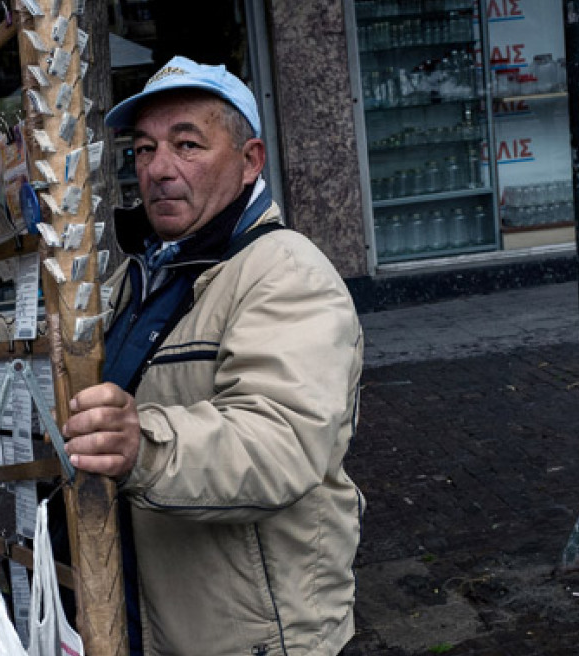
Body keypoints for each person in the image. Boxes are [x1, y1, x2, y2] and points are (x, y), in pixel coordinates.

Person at [62, 56, 364, 656]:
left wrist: (143, 447)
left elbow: (280, 443)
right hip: (160, 624)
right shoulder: (141, 276)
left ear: (250, 160)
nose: (159, 170)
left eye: (188, 145)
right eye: (145, 150)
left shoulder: (286, 273)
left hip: (254, 639)